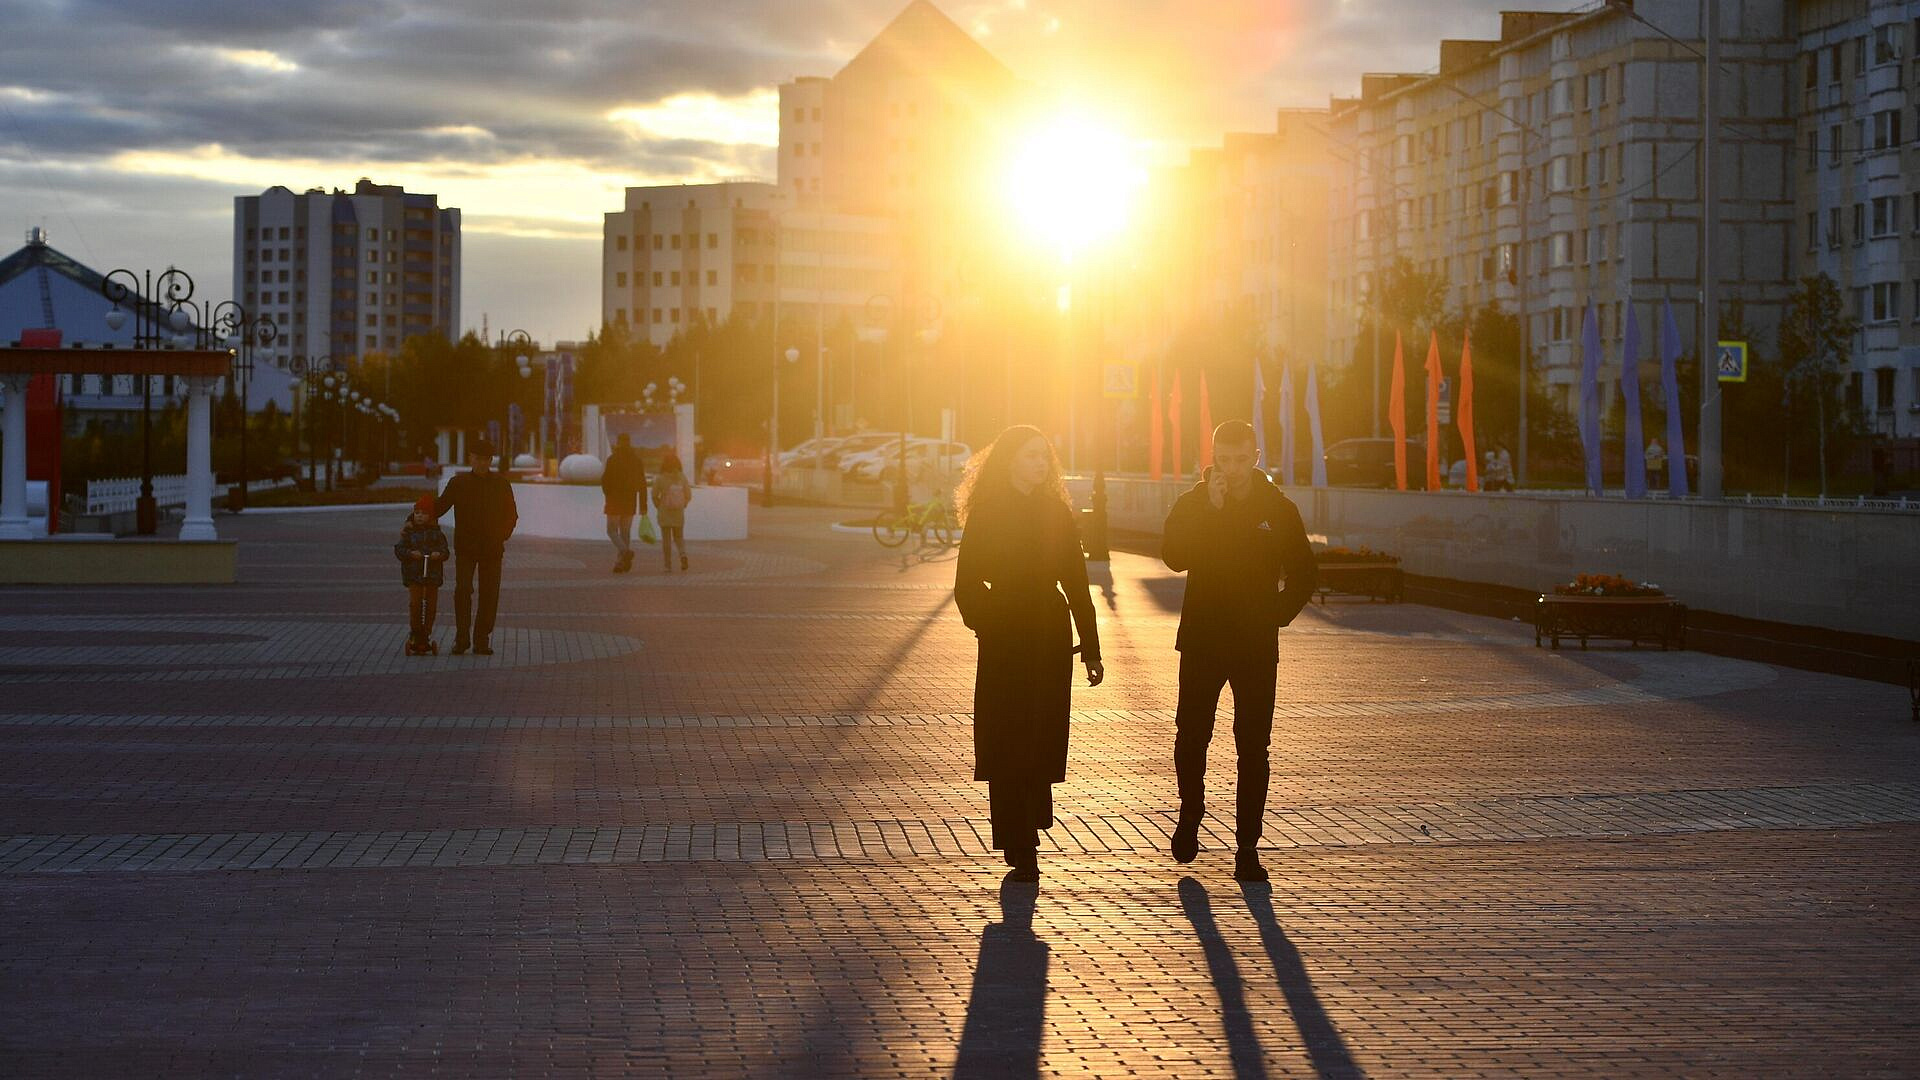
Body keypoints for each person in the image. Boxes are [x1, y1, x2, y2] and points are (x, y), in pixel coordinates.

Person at [1162, 420, 1316, 882]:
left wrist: (1275, 614)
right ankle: (1191, 812)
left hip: (1254, 644)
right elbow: (1173, 556)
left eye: (1240, 458)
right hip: (1203, 640)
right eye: (1223, 460)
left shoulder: (1278, 508)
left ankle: (1247, 848)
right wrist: (1209, 510)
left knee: (1253, 747)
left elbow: (1305, 573)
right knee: (1192, 735)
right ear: (1212, 458)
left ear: (1255, 455)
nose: (1232, 468)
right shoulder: (1193, 502)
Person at [953, 426, 1104, 882]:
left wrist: (1091, 648)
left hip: (1049, 636)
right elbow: (965, 585)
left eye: (1045, 456)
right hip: (1003, 637)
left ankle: (1031, 825)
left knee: (1040, 734)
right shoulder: (988, 513)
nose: (1042, 463)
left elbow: (1077, 584)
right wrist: (989, 623)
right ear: (1010, 460)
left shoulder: (1055, 511)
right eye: (1032, 455)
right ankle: (1018, 840)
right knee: (1005, 737)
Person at [435, 440, 518, 655]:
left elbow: (512, 515)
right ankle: (462, 638)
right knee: (463, 591)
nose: (481, 463)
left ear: (490, 461)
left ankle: (482, 639)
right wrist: (414, 518)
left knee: (489, 594)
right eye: (477, 458)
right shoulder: (458, 484)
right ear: (470, 459)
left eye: (485, 459)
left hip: (492, 549)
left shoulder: (501, 484)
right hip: (466, 548)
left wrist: (501, 536)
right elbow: (439, 507)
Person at [394, 494, 449, 655]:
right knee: (416, 604)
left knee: (430, 606)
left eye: (424, 513)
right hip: (414, 575)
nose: (419, 516)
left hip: (432, 576)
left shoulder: (437, 534)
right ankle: (416, 631)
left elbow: (445, 551)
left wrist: (438, 554)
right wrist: (411, 553)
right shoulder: (408, 533)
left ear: (430, 516)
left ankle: (426, 632)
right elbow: (399, 550)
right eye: (417, 513)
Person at [601, 433, 647, 574]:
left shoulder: (612, 459)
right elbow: (642, 484)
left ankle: (625, 552)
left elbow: (605, 480)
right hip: (630, 500)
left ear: (618, 443)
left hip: (614, 500)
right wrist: (643, 505)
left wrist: (608, 494)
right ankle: (620, 563)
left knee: (611, 530)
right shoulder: (637, 460)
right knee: (625, 532)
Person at [652, 451, 693, 572]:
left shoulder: (660, 478)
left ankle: (667, 565)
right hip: (678, 513)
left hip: (664, 512)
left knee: (666, 540)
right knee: (679, 537)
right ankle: (683, 555)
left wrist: (658, 506)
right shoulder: (682, 477)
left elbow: (654, 495)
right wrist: (683, 504)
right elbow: (688, 495)